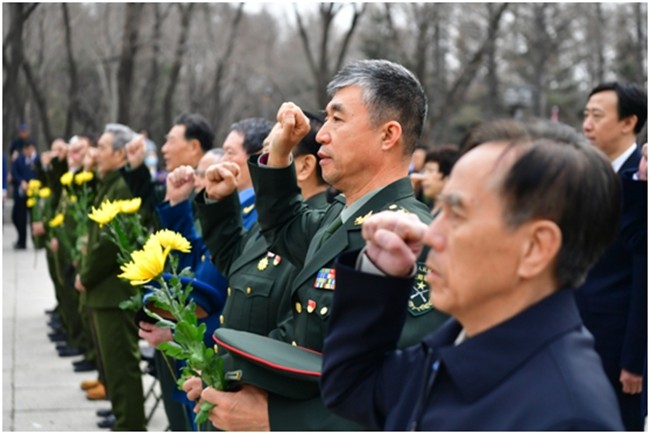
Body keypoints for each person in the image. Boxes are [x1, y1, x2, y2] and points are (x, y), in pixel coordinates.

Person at [320, 119, 625, 430]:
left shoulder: (567, 417)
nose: (430, 234)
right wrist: (379, 275)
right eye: (439, 210)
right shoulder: (463, 340)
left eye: (458, 214)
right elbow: (352, 388)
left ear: (535, 247)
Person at [196, 59, 448, 431]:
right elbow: (283, 228)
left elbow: (407, 389)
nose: (322, 134)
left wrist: (276, 419)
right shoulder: (341, 218)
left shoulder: (410, 240)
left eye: (337, 119)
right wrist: (279, 153)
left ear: (388, 135)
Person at [576, 81, 647, 431]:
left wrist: (635, 360)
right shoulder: (584, 175)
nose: (587, 124)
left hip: (618, 345)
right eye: (586, 114)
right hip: (576, 335)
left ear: (628, 122)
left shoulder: (641, 182)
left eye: (597, 115)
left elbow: (643, 276)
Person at [75, 123, 146, 431]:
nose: (96, 153)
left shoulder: (122, 185)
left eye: (102, 148)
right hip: (105, 289)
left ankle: (130, 423)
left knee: (121, 361)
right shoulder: (110, 181)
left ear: (119, 153)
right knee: (113, 361)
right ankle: (122, 414)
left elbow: (108, 244)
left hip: (112, 288)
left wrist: (87, 275)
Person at [11, 141, 40, 249]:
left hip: (34, 193)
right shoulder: (19, 160)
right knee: (19, 218)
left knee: (34, 218)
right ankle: (21, 241)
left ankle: (36, 241)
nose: (26, 152)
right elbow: (14, 173)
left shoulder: (38, 160)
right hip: (21, 194)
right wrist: (21, 182)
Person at [418, 144, 460, 211]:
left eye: (430, 170)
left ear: (447, 176)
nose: (424, 176)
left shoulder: (450, 213)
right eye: (424, 170)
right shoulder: (429, 207)